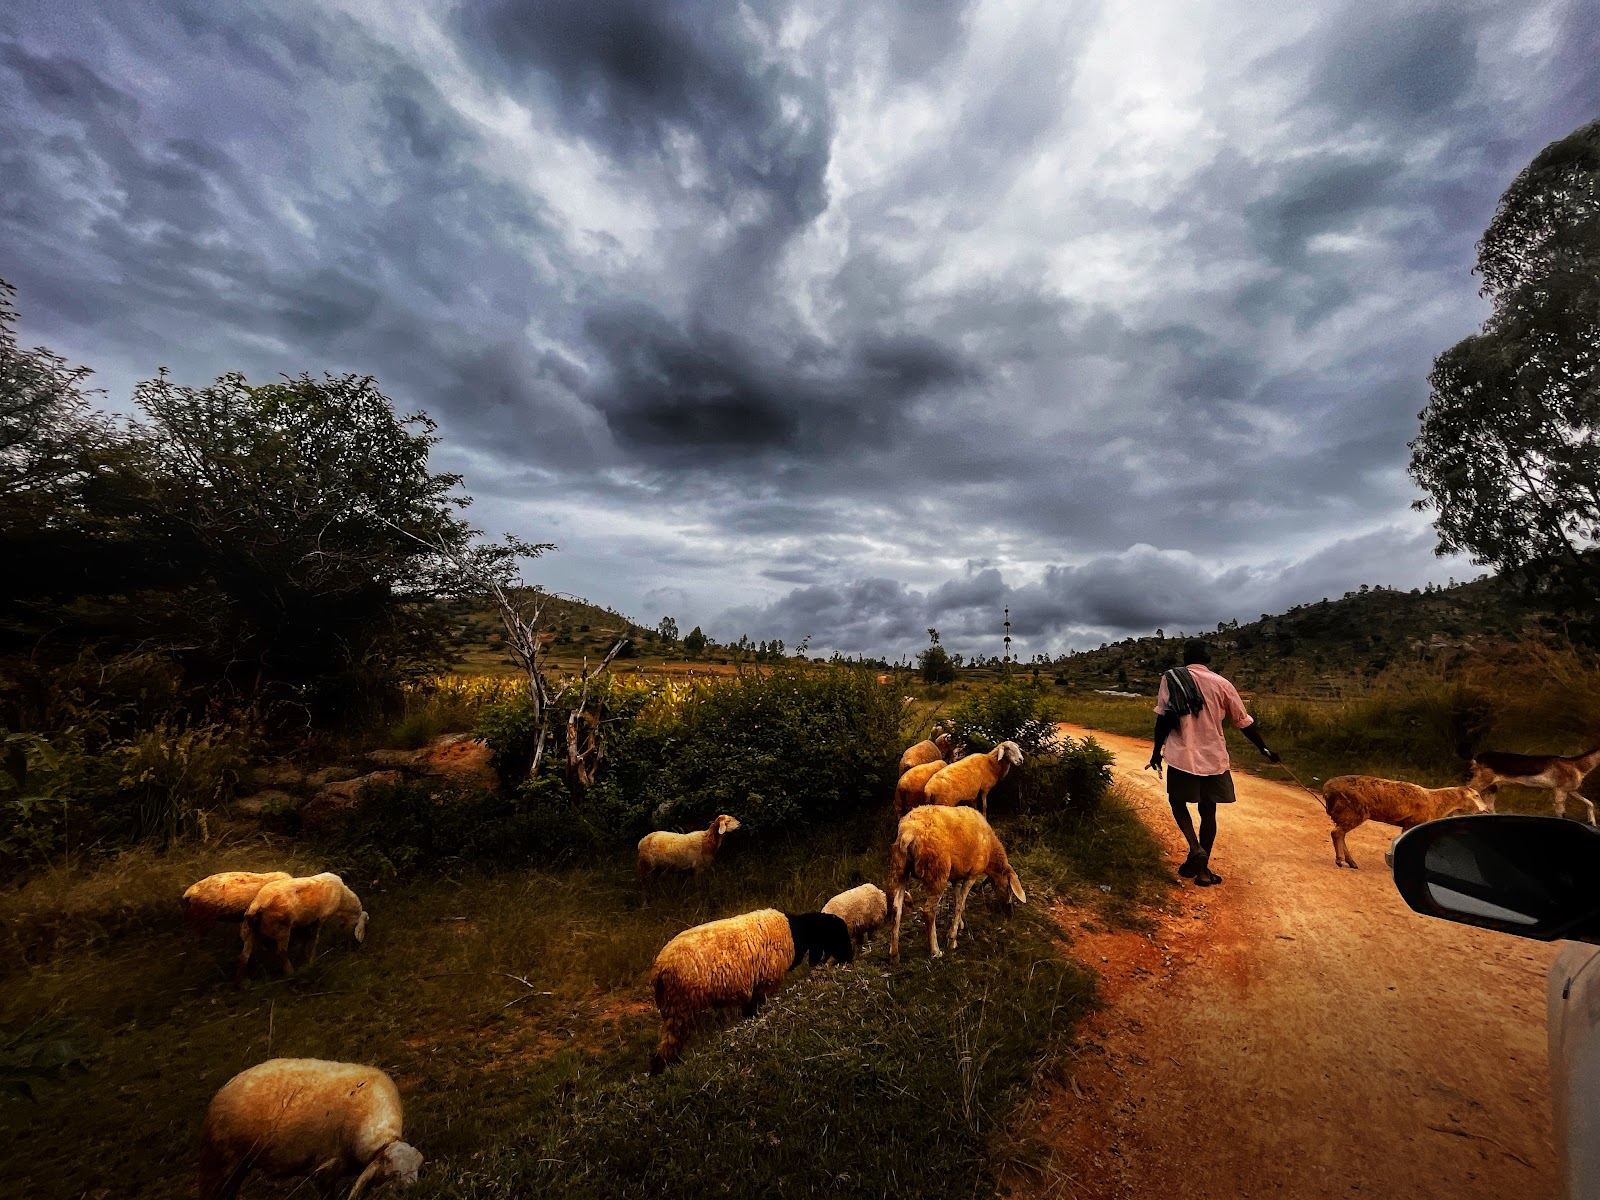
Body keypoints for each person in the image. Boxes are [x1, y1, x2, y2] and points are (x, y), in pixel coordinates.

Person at [1146, 639, 1278, 887]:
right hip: (1213, 756)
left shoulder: (1171, 678)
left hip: (1181, 754)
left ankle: (1195, 848)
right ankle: (1203, 872)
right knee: (1209, 811)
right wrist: (1264, 748)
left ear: (1186, 657)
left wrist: (1156, 752)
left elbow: (1163, 718)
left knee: (1177, 802)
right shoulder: (1223, 684)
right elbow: (1243, 721)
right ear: (1208, 658)